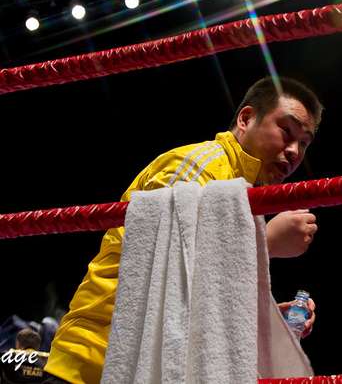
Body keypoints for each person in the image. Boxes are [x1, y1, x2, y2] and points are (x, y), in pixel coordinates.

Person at [44, 76, 323, 383]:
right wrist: (266, 243)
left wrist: (264, 319)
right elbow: (166, 269)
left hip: (141, 363)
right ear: (246, 119)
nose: (294, 151)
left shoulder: (239, 193)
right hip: (95, 358)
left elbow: (200, 300)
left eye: (304, 143)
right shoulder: (199, 165)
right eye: (286, 130)